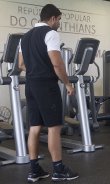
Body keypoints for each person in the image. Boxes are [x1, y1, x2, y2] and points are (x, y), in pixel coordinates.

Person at [18, 4, 78, 182]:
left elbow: (21, 65)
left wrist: (36, 70)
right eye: (59, 19)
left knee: (34, 128)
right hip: (46, 86)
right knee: (54, 128)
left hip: (30, 85)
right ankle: (58, 169)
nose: (59, 23)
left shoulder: (25, 37)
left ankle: (34, 169)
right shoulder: (50, 33)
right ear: (52, 18)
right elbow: (57, 64)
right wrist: (67, 84)